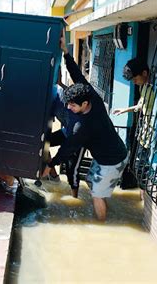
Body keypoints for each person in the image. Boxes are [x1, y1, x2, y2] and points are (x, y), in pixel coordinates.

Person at [42, 32, 128, 221]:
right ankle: (105, 206)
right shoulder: (91, 97)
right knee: (91, 181)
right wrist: (65, 51)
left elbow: (67, 148)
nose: (69, 108)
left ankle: (102, 225)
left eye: (72, 105)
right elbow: (76, 74)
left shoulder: (83, 126)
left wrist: (51, 164)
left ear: (84, 104)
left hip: (112, 160)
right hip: (110, 154)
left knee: (96, 194)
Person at [112, 58, 155, 196]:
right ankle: (142, 198)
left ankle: (144, 199)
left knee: (142, 168)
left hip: (152, 137)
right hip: (143, 135)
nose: (134, 82)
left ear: (144, 73)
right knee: (139, 168)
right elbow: (141, 106)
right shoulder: (143, 87)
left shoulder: (155, 89)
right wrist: (125, 110)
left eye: (135, 78)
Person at [44, 72, 83, 198]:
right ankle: (54, 176)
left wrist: (60, 83)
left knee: (72, 170)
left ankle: (74, 199)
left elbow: (75, 94)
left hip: (77, 138)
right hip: (66, 132)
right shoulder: (49, 97)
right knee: (43, 143)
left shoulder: (63, 93)